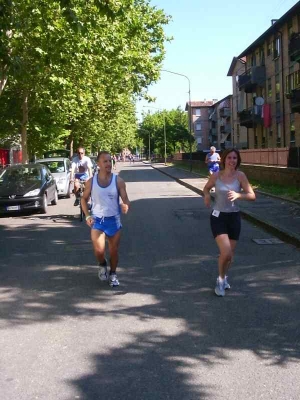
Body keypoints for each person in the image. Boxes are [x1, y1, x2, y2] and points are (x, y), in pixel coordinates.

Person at [203, 148, 256, 297]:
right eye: (229, 158)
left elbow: (252, 195)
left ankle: (224, 277)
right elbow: (206, 188)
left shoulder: (241, 176)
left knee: (230, 255)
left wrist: (239, 195)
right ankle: (220, 280)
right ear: (224, 159)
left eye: (235, 158)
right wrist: (206, 196)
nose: (232, 161)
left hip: (234, 217)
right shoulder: (216, 176)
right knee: (225, 252)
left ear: (237, 161)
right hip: (218, 216)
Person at [81, 151, 130, 287]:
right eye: (105, 161)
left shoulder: (118, 181)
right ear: (98, 164)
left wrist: (125, 205)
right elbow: (84, 199)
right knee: (99, 251)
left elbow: (125, 199)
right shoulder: (91, 182)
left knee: (113, 250)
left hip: (113, 220)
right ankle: (102, 264)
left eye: (110, 161)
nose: (108, 163)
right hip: (97, 220)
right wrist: (87, 215)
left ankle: (113, 274)